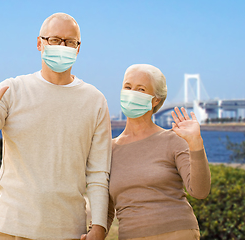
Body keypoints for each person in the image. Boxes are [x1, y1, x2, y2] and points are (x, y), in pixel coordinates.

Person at [0, 13, 111, 240]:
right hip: (13, 227)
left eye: (70, 42)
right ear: (39, 43)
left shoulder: (95, 100)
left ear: (78, 48)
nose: (63, 46)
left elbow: (98, 172)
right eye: (54, 39)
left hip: (69, 230)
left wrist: (99, 227)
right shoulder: (12, 90)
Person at [84, 64, 211, 240]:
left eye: (141, 89)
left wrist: (196, 144)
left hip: (178, 233)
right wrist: (94, 231)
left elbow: (200, 191)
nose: (131, 93)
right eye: (127, 87)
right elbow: (106, 209)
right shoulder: (109, 150)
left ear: (155, 100)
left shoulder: (173, 140)